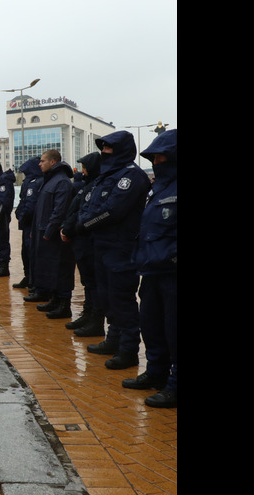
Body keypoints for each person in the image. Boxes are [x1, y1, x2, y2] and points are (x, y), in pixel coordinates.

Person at [77, 131, 151, 370]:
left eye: (109, 148)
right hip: (101, 244)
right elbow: (88, 205)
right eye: (103, 148)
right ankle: (113, 339)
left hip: (121, 247)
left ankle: (128, 350)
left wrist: (86, 223)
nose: (104, 152)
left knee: (122, 299)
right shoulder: (104, 177)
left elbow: (113, 210)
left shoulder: (131, 176)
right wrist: (86, 219)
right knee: (107, 297)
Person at [122, 129, 177, 408]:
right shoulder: (160, 188)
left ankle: (175, 386)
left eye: (161, 155)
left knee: (174, 330)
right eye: (153, 156)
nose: (156, 161)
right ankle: (156, 373)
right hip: (152, 270)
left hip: (172, 272)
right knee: (152, 326)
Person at [25, 150, 75, 317]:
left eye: (42, 161)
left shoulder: (62, 182)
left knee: (60, 269)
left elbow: (59, 211)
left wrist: (49, 231)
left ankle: (63, 303)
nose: (40, 164)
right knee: (48, 268)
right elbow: (40, 209)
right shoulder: (49, 181)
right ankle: (54, 299)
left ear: (53, 162)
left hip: (52, 236)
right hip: (42, 233)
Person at [60, 152, 104, 335]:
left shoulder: (96, 186)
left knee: (93, 283)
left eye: (85, 167)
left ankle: (96, 320)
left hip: (87, 240)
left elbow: (87, 213)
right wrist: (66, 228)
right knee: (87, 282)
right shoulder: (85, 186)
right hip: (79, 239)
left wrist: (72, 229)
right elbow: (73, 210)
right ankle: (88, 314)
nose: (83, 171)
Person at [12, 157, 43, 291]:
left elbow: (30, 205)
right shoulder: (30, 182)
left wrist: (22, 216)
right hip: (27, 224)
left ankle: (34, 280)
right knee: (25, 252)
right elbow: (23, 201)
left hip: (31, 224)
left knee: (32, 253)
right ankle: (28, 277)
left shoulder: (35, 182)